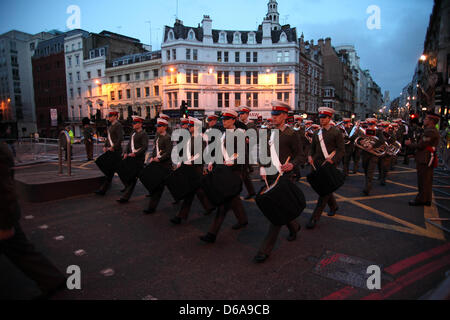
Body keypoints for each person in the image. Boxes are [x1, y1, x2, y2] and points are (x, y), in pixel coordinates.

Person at [0, 142, 66, 299]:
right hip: (5, 214)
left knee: (20, 250)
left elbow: (4, 189)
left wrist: (5, 223)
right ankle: (52, 279)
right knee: (21, 250)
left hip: (3, 215)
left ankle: (53, 279)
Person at [254, 101, 305, 263]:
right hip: (270, 175)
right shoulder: (269, 133)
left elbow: (300, 155)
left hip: (285, 176)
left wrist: (292, 164)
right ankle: (294, 226)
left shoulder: (292, 134)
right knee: (282, 207)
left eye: (277, 115)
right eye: (273, 114)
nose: (273, 117)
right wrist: (262, 169)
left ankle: (264, 250)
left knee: (275, 213)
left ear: (284, 116)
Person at [199, 110, 248, 243]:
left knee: (223, 202)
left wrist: (233, 161)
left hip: (235, 172)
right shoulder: (223, 135)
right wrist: (211, 162)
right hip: (223, 170)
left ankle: (212, 234)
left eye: (227, 119)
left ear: (233, 120)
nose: (224, 122)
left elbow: (243, 155)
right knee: (233, 199)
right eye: (223, 119)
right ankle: (243, 220)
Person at [170, 117, 215, 224]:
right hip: (190, 167)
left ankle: (180, 216)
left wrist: (191, 161)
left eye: (191, 125)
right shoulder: (190, 137)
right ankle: (209, 206)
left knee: (190, 192)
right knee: (197, 190)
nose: (189, 127)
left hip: (196, 168)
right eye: (189, 125)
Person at [306, 107, 345, 229]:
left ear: (329, 118)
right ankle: (333, 206)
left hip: (329, 165)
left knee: (323, 193)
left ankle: (314, 218)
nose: (321, 120)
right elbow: (312, 148)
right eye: (320, 118)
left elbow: (341, 150)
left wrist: (333, 160)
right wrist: (309, 156)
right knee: (325, 190)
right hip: (317, 165)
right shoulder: (317, 132)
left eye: (324, 118)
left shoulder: (336, 132)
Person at [406, 112, 441, 206]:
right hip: (426, 156)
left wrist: (410, 144)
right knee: (427, 180)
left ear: (431, 121)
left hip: (425, 158)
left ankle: (421, 199)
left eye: (425, 119)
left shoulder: (430, 131)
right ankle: (427, 199)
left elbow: (422, 145)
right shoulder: (430, 130)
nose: (423, 120)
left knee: (423, 180)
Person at [144, 118, 173, 214]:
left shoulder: (167, 138)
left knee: (172, 184)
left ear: (164, 127)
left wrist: (159, 159)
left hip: (165, 166)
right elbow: (154, 150)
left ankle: (182, 198)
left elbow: (168, 153)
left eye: (159, 126)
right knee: (158, 187)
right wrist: (153, 157)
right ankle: (151, 207)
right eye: (157, 126)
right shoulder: (158, 137)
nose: (157, 128)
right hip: (159, 165)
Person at [117, 116, 149, 203]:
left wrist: (135, 153)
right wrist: (125, 153)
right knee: (142, 177)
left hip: (138, 159)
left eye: (135, 123)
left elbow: (144, 147)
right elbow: (129, 145)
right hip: (131, 158)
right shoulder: (133, 133)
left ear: (140, 124)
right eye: (133, 123)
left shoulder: (143, 134)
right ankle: (152, 189)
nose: (133, 125)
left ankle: (125, 197)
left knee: (133, 178)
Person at [95, 111, 124, 196]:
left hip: (116, 151)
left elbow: (120, 138)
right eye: (109, 116)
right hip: (111, 151)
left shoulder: (118, 125)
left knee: (114, 170)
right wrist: (105, 146)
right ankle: (103, 190)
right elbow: (108, 138)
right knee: (110, 171)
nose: (109, 117)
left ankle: (128, 185)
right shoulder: (111, 126)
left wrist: (113, 147)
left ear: (115, 116)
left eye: (111, 116)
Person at [360, 118, 385, 196]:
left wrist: (372, 145)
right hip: (365, 153)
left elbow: (382, 141)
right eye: (368, 124)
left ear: (375, 124)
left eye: (371, 124)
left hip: (374, 154)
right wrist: (362, 142)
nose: (370, 126)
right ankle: (368, 184)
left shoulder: (378, 132)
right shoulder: (364, 131)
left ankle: (367, 188)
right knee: (365, 169)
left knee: (370, 171)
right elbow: (359, 139)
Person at [236, 106, 257, 200]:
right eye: (240, 114)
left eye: (242, 114)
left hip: (247, 150)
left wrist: (250, 140)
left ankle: (235, 193)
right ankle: (250, 191)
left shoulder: (251, 124)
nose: (241, 115)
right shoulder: (237, 124)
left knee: (241, 173)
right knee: (243, 173)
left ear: (247, 114)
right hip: (237, 150)